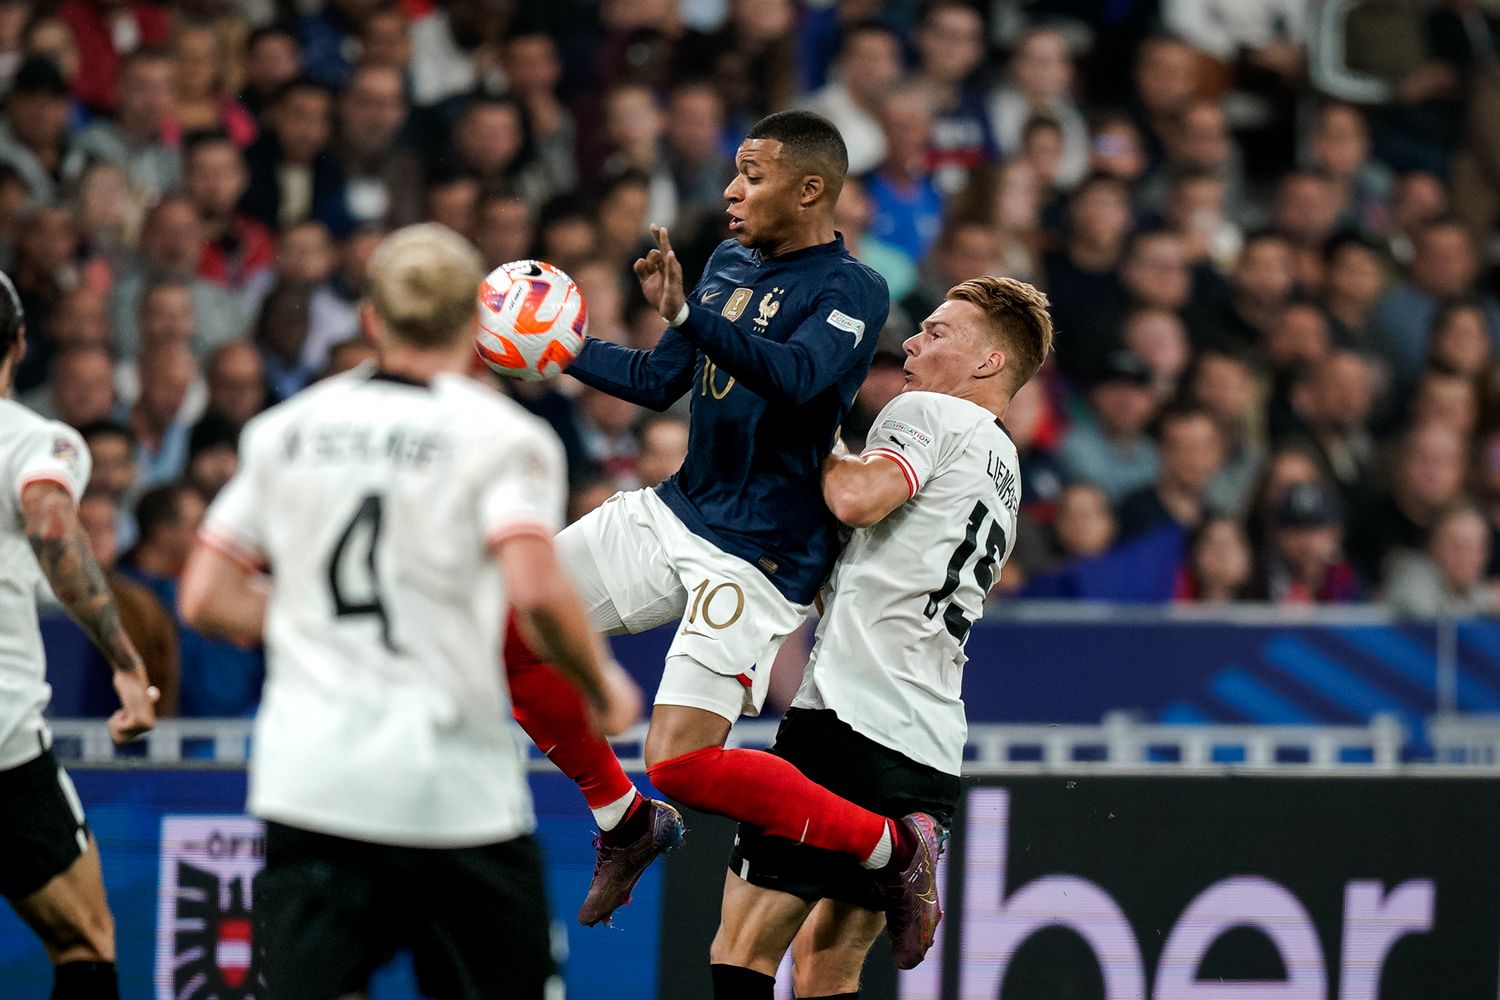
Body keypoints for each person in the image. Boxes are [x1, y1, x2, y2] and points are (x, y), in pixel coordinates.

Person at [498, 112, 959, 959]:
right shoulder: (727, 262)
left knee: (682, 764)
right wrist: (559, 346)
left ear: (810, 188)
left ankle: (899, 848)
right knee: (502, 623)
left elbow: (796, 380)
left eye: (752, 174)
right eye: (735, 173)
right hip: (678, 508)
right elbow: (661, 378)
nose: (731, 191)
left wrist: (684, 316)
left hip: (760, 554)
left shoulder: (852, 290)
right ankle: (624, 821)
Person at [177, 224, 639, 1000]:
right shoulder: (503, 436)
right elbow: (533, 585)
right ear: (473, 325)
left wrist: (307, 619)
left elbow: (205, 595)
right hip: (450, 794)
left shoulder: (284, 431)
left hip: (310, 785)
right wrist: (602, 683)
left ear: (370, 319)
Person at [708, 276, 1052, 995]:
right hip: (927, 747)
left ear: (989, 364)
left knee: (742, 949)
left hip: (846, 718)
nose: (913, 342)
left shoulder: (924, 411)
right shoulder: (1007, 466)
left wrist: (813, 422)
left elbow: (858, 498)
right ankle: (909, 847)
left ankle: (902, 850)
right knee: (827, 970)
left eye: (938, 332)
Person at [0, 270, 159, 1000]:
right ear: (21, 345)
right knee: (84, 937)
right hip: (2, 749)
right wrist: (125, 662)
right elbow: (47, 520)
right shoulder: (35, 439)